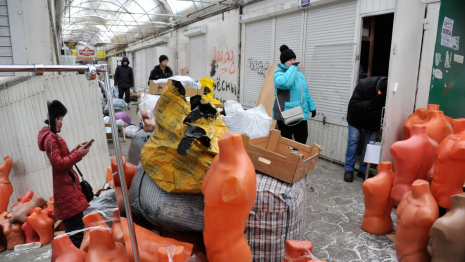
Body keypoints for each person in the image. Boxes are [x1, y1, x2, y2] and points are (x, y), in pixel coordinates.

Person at [37, 100, 91, 248]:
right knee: (76, 234)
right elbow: (58, 163)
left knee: (76, 230)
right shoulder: (51, 138)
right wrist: (78, 155)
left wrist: (75, 150)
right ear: (52, 117)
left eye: (62, 118)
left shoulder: (52, 136)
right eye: (58, 118)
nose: (61, 122)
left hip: (67, 189)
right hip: (66, 191)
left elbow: (62, 160)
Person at [343, 76, 387, 182]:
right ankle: (349, 169)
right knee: (353, 142)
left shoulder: (386, 91)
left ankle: (363, 170)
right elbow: (353, 104)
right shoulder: (364, 85)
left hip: (372, 120)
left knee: (370, 145)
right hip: (356, 118)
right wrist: (372, 103)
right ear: (378, 90)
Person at [273, 45, 316, 145]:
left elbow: (305, 91)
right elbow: (285, 84)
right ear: (284, 62)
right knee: (286, 143)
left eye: (294, 59)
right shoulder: (278, 73)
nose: (293, 62)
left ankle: (299, 160)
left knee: (302, 141)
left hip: (301, 113)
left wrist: (312, 107)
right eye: (290, 60)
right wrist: (293, 68)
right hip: (287, 113)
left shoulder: (298, 73)